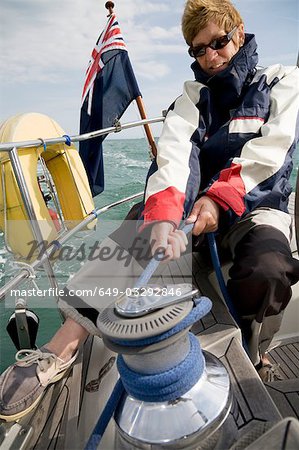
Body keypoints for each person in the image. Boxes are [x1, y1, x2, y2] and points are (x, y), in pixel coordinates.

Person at [1, 0, 299, 422]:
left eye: (219, 42)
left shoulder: (283, 81)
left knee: (269, 268)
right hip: (194, 213)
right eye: (199, 49)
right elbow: (174, 158)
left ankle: (258, 349)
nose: (211, 55)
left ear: (239, 31)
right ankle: (61, 345)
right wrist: (162, 216)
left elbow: (270, 152)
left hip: (257, 207)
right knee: (141, 219)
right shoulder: (190, 99)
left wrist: (218, 198)